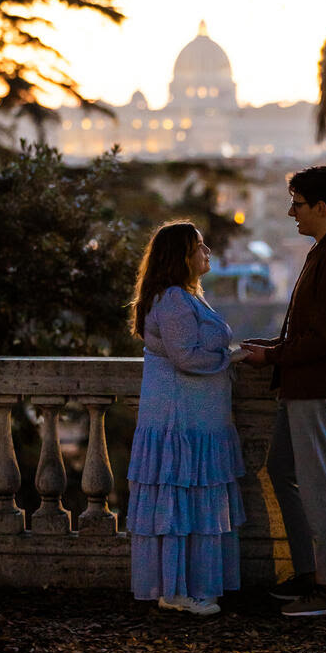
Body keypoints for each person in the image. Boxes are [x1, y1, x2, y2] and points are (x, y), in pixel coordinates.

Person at [242, 166, 326, 617]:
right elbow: (312, 332)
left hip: (316, 387)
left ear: (319, 206)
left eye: (297, 204)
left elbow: (325, 338)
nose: (290, 212)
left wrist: (272, 357)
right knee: (282, 470)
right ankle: (311, 574)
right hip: (303, 384)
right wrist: (272, 348)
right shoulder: (325, 250)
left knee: (316, 486)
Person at [127, 221, 246, 616]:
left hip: (189, 417)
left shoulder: (179, 296)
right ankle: (180, 589)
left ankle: (180, 585)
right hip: (184, 419)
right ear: (182, 256)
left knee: (183, 503)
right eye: (199, 246)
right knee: (184, 502)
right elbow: (186, 356)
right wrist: (231, 357)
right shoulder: (176, 299)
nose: (207, 251)